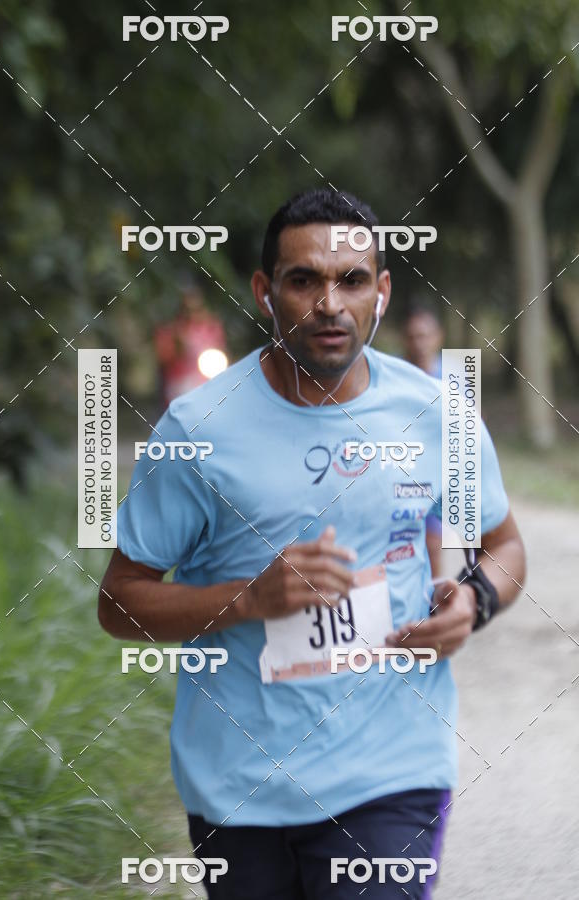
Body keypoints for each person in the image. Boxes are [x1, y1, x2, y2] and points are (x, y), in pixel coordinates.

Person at [99, 188, 526, 898]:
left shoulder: (436, 415)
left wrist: (475, 599)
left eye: (351, 280)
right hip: (238, 786)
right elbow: (119, 602)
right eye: (304, 280)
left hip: (392, 772)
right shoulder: (198, 428)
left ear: (381, 293)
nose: (330, 304)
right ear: (265, 292)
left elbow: (504, 546)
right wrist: (248, 599)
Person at [402, 307, 445, 576]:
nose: (419, 343)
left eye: (424, 336)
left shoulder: (454, 378)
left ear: (438, 337)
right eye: (413, 336)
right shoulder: (395, 377)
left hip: (440, 473)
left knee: (434, 544)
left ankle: (437, 593)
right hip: (404, 472)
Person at [154, 288, 227, 407]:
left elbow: (220, 350)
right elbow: (164, 356)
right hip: (180, 382)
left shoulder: (212, 327)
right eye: (189, 310)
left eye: (198, 309)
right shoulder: (172, 330)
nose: (194, 314)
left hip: (206, 379)